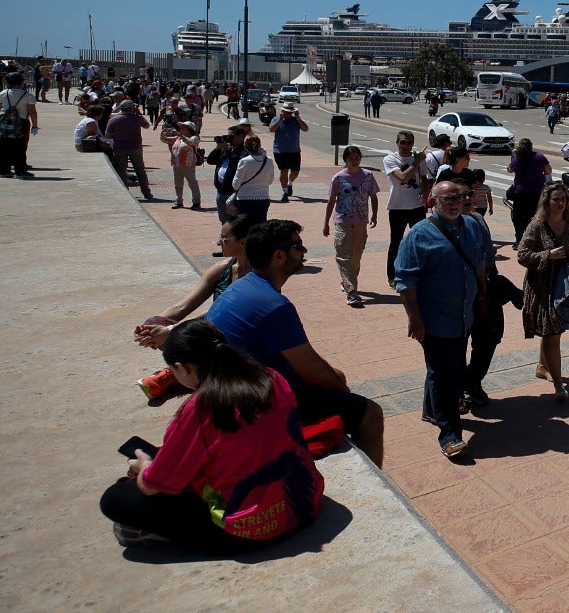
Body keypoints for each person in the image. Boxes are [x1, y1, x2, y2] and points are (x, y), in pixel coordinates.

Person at [140, 219, 386, 467]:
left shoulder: (242, 286)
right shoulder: (273, 305)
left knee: (337, 376)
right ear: (279, 256)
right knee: (370, 413)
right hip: (256, 402)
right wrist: (342, 393)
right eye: (297, 245)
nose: (304, 251)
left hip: (230, 386)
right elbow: (311, 368)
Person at [99, 320, 324, 550]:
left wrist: (143, 467)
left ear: (182, 367)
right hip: (305, 503)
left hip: (249, 531)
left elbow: (151, 486)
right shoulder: (270, 378)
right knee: (173, 462)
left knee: (115, 499)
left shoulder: (201, 408)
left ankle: (172, 535)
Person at [394, 180, 496, 458]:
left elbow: (480, 263)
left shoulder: (473, 225)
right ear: (433, 202)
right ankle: (450, 434)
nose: (453, 203)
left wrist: (483, 295)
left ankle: (431, 409)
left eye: (457, 198)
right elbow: (405, 280)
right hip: (435, 320)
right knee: (446, 375)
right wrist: (414, 318)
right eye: (446, 199)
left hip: (465, 316)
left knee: (444, 369)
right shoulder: (419, 235)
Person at [134, 216, 254, 402]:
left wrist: (170, 331)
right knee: (158, 325)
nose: (219, 243)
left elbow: (222, 313)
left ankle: (180, 374)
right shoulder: (222, 268)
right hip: (213, 330)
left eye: (224, 239)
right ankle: (183, 372)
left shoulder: (258, 276)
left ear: (243, 242)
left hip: (240, 336)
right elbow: (183, 305)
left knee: (191, 339)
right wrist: (152, 328)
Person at [518, 183, 569, 402]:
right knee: (552, 333)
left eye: (563, 199)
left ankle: (543, 366)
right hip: (542, 285)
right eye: (556, 199)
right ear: (546, 201)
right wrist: (547, 255)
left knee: (551, 331)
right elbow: (522, 255)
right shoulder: (537, 225)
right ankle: (559, 385)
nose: (560, 203)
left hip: (565, 287)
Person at [325, 146, 380, 307]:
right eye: (351, 158)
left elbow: (373, 197)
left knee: (356, 255)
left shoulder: (368, 176)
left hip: (361, 222)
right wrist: (326, 223)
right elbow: (331, 201)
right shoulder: (338, 178)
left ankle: (346, 281)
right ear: (346, 160)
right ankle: (351, 291)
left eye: (357, 158)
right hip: (343, 221)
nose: (354, 161)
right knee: (344, 255)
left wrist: (375, 215)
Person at [383, 132, 428, 289]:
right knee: (396, 243)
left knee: (421, 242)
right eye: (403, 142)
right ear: (397, 143)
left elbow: (424, 179)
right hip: (398, 207)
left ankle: (421, 273)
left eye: (409, 143)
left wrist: (425, 190)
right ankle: (392, 275)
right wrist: (416, 162)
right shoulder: (390, 159)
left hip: (417, 207)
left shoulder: (420, 158)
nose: (406, 146)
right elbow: (402, 177)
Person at [106, 100, 155, 200]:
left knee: (121, 171)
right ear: (131, 107)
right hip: (135, 147)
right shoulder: (137, 118)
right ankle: (146, 193)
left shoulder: (114, 119)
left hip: (119, 147)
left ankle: (125, 193)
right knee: (140, 170)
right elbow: (146, 125)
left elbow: (108, 135)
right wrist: (139, 114)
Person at [505, 137, 552, 242]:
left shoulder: (517, 159)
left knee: (518, 217)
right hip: (536, 192)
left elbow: (510, 170)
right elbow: (548, 170)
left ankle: (519, 240)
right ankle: (533, 239)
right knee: (534, 216)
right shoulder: (540, 157)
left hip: (520, 192)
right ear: (531, 147)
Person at [230, 135, 275, 228]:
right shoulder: (269, 160)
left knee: (245, 226)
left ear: (246, 147)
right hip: (263, 198)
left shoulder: (244, 161)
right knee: (261, 226)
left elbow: (235, 184)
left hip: (245, 199)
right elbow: (270, 181)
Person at [208, 125, 247, 226]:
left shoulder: (245, 152)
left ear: (241, 136)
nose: (229, 139)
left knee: (236, 221)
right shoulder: (225, 149)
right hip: (221, 191)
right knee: (224, 220)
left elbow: (240, 162)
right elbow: (210, 160)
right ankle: (225, 238)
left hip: (234, 193)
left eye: (231, 136)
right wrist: (218, 148)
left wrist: (229, 150)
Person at [269, 104, 308, 202]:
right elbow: (271, 129)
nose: (289, 114)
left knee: (295, 171)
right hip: (280, 151)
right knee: (284, 171)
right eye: (287, 112)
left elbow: (305, 129)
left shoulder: (295, 120)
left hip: (294, 151)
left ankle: (290, 183)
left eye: (290, 112)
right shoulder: (276, 119)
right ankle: (285, 192)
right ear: (282, 111)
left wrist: (298, 117)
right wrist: (280, 120)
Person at [162, 120, 204, 210]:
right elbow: (165, 140)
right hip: (177, 164)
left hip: (188, 164)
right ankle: (179, 201)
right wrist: (163, 134)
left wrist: (181, 135)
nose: (181, 129)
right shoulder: (178, 138)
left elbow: (191, 143)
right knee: (178, 184)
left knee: (192, 183)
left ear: (190, 129)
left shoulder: (195, 138)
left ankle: (196, 202)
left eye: (184, 127)